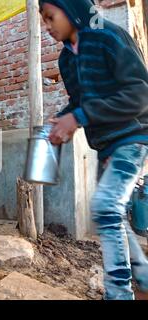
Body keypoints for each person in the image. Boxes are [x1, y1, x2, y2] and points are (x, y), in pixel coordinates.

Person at [39, 0, 148, 299]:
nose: (46, 26)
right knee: (112, 215)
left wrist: (79, 117)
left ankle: (118, 293)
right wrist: (64, 119)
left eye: (50, 17)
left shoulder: (108, 37)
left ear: (72, 8)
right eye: (43, 20)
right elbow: (80, 102)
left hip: (133, 137)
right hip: (105, 144)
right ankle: (144, 277)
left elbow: (140, 94)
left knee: (104, 208)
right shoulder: (66, 59)